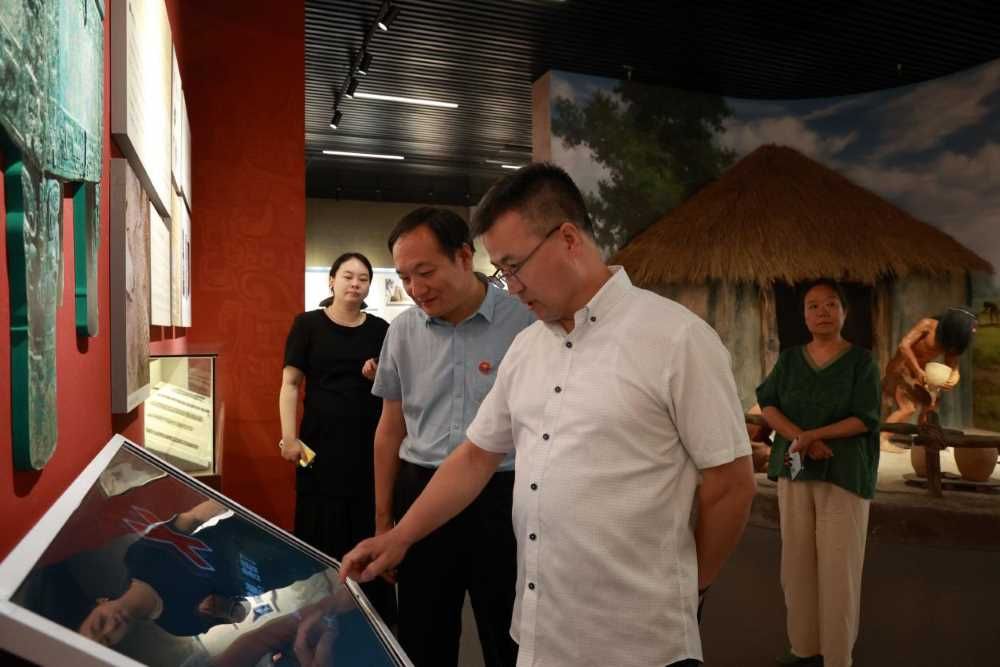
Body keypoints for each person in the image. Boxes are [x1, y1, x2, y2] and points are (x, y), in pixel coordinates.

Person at [342, 164, 756, 667]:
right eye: (502, 271)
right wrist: (398, 536)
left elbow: (730, 483)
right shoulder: (527, 347)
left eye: (514, 265)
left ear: (568, 239)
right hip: (541, 629)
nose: (511, 286)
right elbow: (475, 457)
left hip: (640, 636)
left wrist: (693, 585)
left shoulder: (676, 338)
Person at [369, 206, 534, 667]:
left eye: (425, 272)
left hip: (503, 494)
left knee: (510, 634)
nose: (415, 289)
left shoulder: (524, 322)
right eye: (405, 277)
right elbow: (390, 428)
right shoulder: (402, 332)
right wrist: (385, 522)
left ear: (464, 256)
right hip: (421, 490)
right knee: (423, 635)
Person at [756, 279, 881, 667]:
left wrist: (814, 436)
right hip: (796, 470)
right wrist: (803, 439)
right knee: (796, 563)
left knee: (839, 567)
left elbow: (865, 417)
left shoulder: (862, 362)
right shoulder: (790, 361)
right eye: (813, 306)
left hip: (843, 473)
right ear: (804, 316)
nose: (822, 312)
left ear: (844, 312)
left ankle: (837, 657)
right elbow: (768, 404)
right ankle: (803, 648)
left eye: (830, 304)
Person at [279, 252, 394, 623]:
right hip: (319, 445)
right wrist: (288, 438)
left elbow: (394, 388)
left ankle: (369, 618)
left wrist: (377, 375)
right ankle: (316, 615)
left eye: (363, 278)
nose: (355, 284)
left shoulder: (380, 329)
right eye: (347, 276)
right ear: (332, 280)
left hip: (367, 446)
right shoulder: (308, 325)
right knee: (319, 525)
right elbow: (290, 384)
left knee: (363, 522)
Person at [79, 500, 325, 646]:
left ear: (100, 603)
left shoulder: (137, 557)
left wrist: (237, 496)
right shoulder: (177, 625)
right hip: (288, 566)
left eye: (99, 623)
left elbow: (191, 518)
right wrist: (225, 609)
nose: (111, 628)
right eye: (108, 640)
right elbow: (242, 612)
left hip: (259, 521)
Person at [881, 307, 978, 451]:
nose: (974, 330)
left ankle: (925, 439)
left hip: (920, 374)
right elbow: (904, 346)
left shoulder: (951, 339)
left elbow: (952, 363)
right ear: (959, 324)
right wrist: (917, 371)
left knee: (931, 403)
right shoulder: (927, 325)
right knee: (908, 408)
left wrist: (954, 376)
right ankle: (881, 439)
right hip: (901, 369)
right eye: (972, 326)